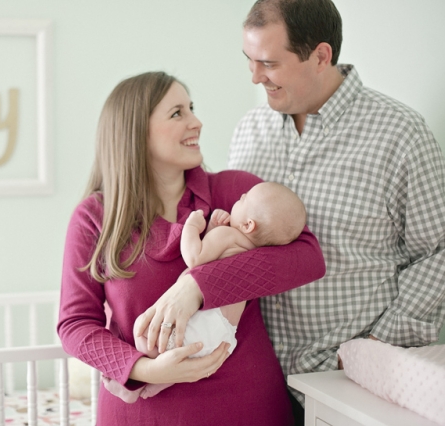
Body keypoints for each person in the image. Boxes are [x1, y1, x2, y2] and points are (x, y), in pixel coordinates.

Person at [57, 70, 325, 425]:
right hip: (141, 414)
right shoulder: (94, 218)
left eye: (192, 108)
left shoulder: (235, 194)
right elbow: (75, 324)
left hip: (245, 407)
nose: (196, 122)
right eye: (177, 113)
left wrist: (197, 287)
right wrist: (146, 369)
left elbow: (307, 258)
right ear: (135, 132)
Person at [228, 0, 445, 423]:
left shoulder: (400, 135)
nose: (255, 77)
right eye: (249, 60)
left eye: (268, 63)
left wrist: (375, 346)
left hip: (349, 389)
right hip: (255, 382)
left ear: (321, 56)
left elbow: (436, 253)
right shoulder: (248, 132)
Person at [102, 181, 308, 403]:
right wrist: (212, 230)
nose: (239, 198)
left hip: (205, 322)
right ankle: (154, 386)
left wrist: (193, 227)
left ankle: (133, 386)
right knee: (182, 363)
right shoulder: (256, 252)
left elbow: (195, 258)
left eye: (244, 199)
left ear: (248, 225)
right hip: (223, 336)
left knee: (143, 330)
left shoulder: (228, 236)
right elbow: (218, 262)